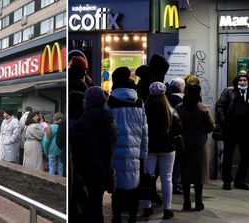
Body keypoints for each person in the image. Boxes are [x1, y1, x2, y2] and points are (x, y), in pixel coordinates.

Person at [104, 67, 147, 223]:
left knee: (117, 189)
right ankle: (132, 218)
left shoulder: (110, 102)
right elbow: (144, 130)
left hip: (116, 153)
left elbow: (106, 130)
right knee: (134, 189)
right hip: (135, 153)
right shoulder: (139, 102)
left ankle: (116, 218)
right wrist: (143, 154)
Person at [70, 86, 117, 223]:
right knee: (97, 207)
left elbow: (79, 149)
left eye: (85, 99)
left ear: (89, 101)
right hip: (104, 172)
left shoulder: (83, 123)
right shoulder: (110, 120)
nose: (83, 101)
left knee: (88, 209)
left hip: (87, 174)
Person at [143, 81, 183, 220]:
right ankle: (167, 209)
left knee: (148, 177)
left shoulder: (145, 110)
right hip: (167, 148)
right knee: (167, 178)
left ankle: (147, 208)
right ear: (164, 93)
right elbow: (178, 129)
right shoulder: (171, 111)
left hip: (150, 148)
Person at [175, 83, 215, 211]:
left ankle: (186, 202)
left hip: (184, 142)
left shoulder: (179, 108)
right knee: (199, 173)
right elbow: (210, 126)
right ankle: (198, 202)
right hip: (199, 143)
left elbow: (175, 124)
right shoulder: (203, 108)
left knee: (185, 171)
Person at [216, 71, 249, 190]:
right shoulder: (228, 91)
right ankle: (227, 181)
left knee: (246, 157)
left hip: (247, 131)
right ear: (236, 82)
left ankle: (240, 181)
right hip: (231, 130)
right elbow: (220, 107)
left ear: (248, 82)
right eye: (240, 80)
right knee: (228, 156)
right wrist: (224, 124)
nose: (242, 82)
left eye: (245, 80)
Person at [166, 77, 186, 195]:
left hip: (168, 133)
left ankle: (174, 183)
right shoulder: (179, 100)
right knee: (177, 161)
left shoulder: (167, 97)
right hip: (177, 134)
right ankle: (176, 184)